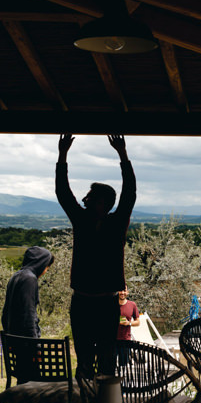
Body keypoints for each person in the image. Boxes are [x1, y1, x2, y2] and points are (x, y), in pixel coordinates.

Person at [56, 134, 136, 379]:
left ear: (102, 203)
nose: (84, 200)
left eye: (89, 197)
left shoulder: (116, 223)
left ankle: (103, 400)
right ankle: (84, 400)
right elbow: (63, 193)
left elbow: (129, 193)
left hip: (102, 304)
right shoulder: (82, 220)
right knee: (84, 360)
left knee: (106, 361)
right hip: (83, 303)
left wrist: (123, 155)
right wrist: (62, 155)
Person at [1, 246, 54, 337]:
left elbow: (5, 312)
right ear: (41, 264)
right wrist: (34, 341)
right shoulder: (29, 279)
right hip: (25, 339)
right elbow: (29, 313)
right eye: (46, 267)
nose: (45, 271)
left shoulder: (16, 276)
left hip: (12, 336)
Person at [115, 286, 141, 366]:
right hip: (111, 340)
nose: (122, 293)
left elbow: (138, 322)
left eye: (124, 291)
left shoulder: (132, 305)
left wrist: (128, 323)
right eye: (120, 290)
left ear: (127, 292)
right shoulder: (111, 304)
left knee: (123, 366)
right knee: (110, 365)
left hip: (125, 339)